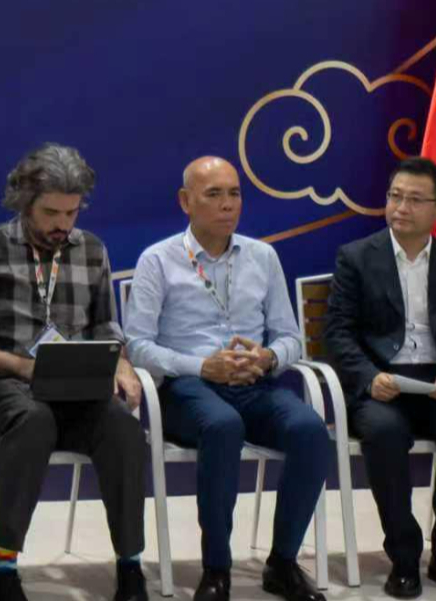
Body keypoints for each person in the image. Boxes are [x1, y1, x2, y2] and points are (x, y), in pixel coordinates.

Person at [0, 143, 150, 601]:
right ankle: (2, 571)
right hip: (0, 386)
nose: (62, 224)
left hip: (73, 387)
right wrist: (21, 366)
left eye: (71, 213)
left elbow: (105, 326)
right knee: (33, 420)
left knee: (123, 428)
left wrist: (122, 363)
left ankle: (131, 566)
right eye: (51, 213)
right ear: (24, 203)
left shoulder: (91, 250)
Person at [125, 157, 331, 601]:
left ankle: (282, 564)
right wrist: (202, 366)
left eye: (234, 193)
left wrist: (269, 357)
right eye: (214, 194)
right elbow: (137, 346)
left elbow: (290, 337)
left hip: (254, 385)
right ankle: (216, 568)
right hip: (186, 389)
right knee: (222, 426)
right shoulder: (158, 260)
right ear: (186, 201)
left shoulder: (263, 256)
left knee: (311, 431)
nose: (227, 204)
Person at [321, 157, 436, 601]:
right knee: (383, 432)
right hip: (382, 385)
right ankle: (403, 557)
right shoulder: (357, 258)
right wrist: (368, 376)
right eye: (395, 196)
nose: (401, 207)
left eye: (415, 199)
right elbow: (337, 332)